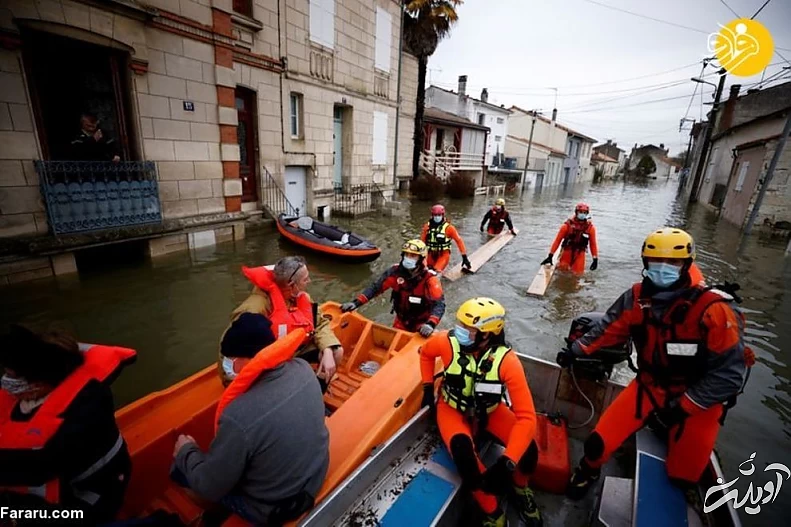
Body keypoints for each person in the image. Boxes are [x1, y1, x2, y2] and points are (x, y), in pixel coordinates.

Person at [559, 228, 749, 499]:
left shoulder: (716, 310)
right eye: (655, 261)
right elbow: (607, 328)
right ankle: (588, 471)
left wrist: (680, 409)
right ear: (645, 263)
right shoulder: (637, 298)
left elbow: (728, 378)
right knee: (596, 444)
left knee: (682, 478)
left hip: (698, 401)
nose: (663, 268)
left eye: (673, 262)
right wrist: (575, 350)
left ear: (687, 264)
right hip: (649, 386)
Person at [173, 328, 329, 526]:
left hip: (276, 508)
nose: (225, 364)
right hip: (315, 476)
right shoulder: (303, 368)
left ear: (241, 360)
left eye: (228, 359)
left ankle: (216, 516)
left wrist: (186, 451)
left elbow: (208, 486)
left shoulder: (237, 416)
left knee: (182, 471)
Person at [419, 298, 543, 527]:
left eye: (469, 329)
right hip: (452, 410)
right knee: (466, 459)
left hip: (491, 411)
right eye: (460, 325)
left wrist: (508, 462)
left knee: (529, 452)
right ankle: (493, 512)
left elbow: (527, 418)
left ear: (488, 335)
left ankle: (520, 487)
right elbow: (425, 354)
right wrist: (427, 387)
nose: (461, 332)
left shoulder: (507, 362)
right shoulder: (447, 342)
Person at [0, 325, 135, 523]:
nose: (7, 382)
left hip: (90, 501)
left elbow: (37, 465)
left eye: (13, 377)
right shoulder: (27, 398)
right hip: (50, 492)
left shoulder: (86, 409)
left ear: (40, 379)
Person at [218, 256, 343, 386]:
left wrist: (327, 350)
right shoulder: (255, 309)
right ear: (292, 284)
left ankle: (319, 386)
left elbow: (320, 323)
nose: (309, 281)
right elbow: (228, 351)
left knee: (336, 352)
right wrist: (233, 384)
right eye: (305, 279)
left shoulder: (299, 297)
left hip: (293, 351)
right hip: (270, 362)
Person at [341, 239, 445, 337]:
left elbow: (439, 304)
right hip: (401, 321)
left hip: (422, 325)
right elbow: (376, 288)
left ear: (421, 259)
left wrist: (430, 324)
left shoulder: (430, 279)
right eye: (406, 255)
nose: (408, 258)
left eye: (413, 256)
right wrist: (356, 303)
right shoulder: (395, 272)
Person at [540, 202, 598, 275]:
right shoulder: (566, 226)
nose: (582, 214)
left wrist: (595, 259)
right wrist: (550, 255)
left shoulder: (590, 228)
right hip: (567, 251)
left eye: (584, 212)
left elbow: (593, 244)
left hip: (580, 253)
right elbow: (557, 241)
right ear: (576, 212)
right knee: (562, 273)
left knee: (578, 275)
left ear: (587, 214)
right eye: (580, 212)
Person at [420, 204, 471, 272]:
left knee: (435, 272)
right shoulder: (427, 227)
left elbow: (459, 241)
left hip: (443, 255)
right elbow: (422, 242)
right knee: (423, 270)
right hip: (430, 254)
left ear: (443, 215)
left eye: (439, 215)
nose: (437, 217)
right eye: (435, 215)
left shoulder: (449, 228)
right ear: (432, 215)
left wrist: (464, 257)